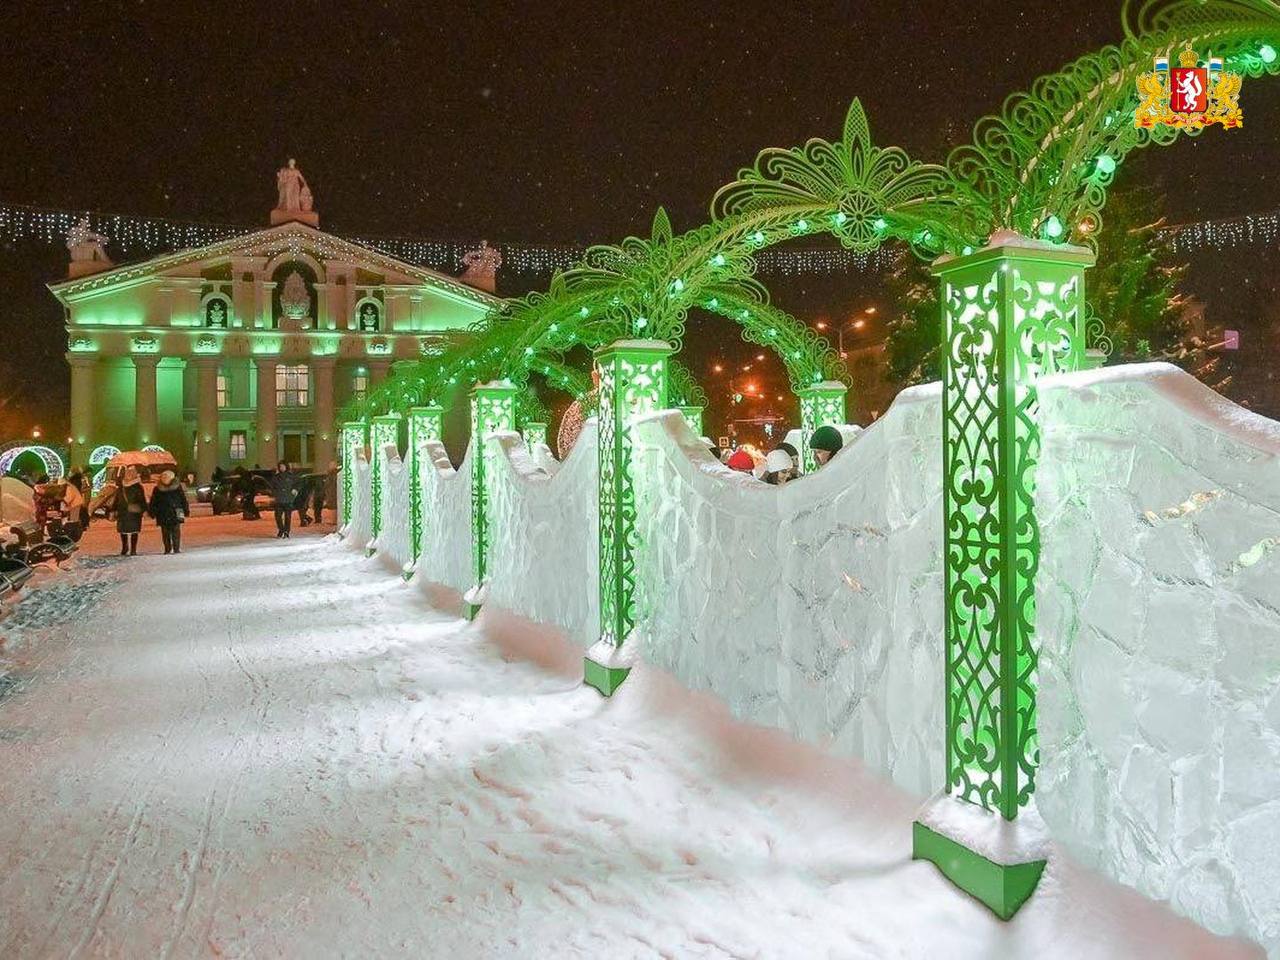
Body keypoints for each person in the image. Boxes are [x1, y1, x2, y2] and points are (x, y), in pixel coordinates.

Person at [148, 469, 190, 555]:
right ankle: (170, 548)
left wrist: (186, 510)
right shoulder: (159, 489)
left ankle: (174, 548)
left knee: (172, 531)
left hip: (172, 511)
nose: (165, 479)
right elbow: (154, 502)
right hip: (168, 512)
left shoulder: (175, 487)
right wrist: (152, 512)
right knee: (168, 532)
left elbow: (183, 499)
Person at [113, 466, 147, 555]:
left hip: (125, 511)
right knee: (131, 531)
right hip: (132, 511)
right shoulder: (137, 487)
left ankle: (127, 548)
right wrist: (144, 509)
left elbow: (117, 499)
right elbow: (142, 500)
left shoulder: (122, 487)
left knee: (126, 531)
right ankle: (131, 549)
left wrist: (113, 509)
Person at [270, 461, 298, 539]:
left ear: (286, 467)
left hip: (288, 500)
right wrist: (275, 493)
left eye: (283, 466)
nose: (281, 468)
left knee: (288, 517)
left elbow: (297, 484)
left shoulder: (291, 476)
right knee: (278, 516)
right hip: (279, 500)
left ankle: (286, 531)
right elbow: (272, 487)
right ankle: (281, 529)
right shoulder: (276, 477)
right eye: (280, 466)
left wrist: (295, 490)